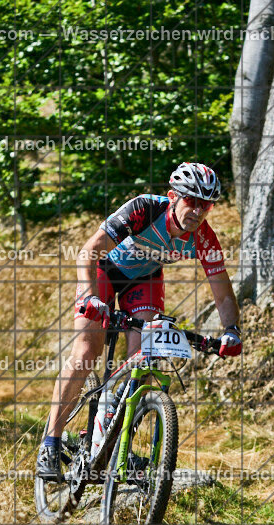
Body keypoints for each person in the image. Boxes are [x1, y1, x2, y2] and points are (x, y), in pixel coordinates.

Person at [37, 162, 242, 482]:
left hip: (143, 279)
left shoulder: (204, 236)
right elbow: (88, 252)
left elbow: (222, 290)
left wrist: (231, 330)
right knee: (86, 353)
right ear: (173, 196)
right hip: (103, 271)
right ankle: (50, 442)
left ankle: (117, 446)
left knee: (144, 362)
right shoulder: (143, 209)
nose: (199, 211)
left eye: (207, 205)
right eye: (192, 201)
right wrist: (90, 299)